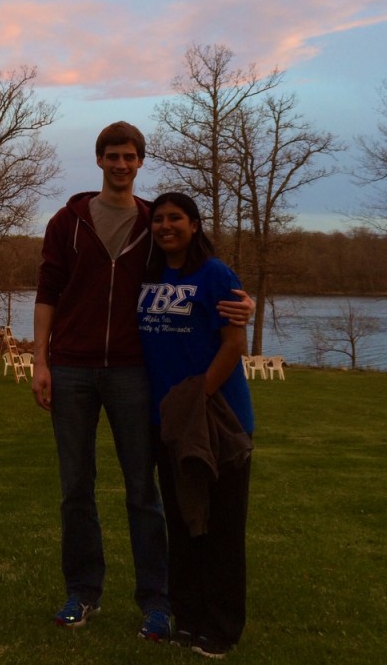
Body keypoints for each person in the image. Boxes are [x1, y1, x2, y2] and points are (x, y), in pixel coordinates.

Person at [32, 122, 252, 639]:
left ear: (140, 161)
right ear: (99, 159)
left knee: (142, 488)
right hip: (72, 368)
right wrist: (40, 361)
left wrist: (241, 303)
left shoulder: (154, 222)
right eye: (111, 155)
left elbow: (192, 269)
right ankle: (82, 592)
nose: (120, 164)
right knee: (75, 488)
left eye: (129, 156)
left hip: (133, 372)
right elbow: (47, 291)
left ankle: (156, 602)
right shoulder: (68, 222)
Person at [137, 192, 254, 660]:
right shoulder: (147, 276)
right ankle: (186, 618)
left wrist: (198, 395)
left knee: (223, 527)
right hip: (168, 422)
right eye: (158, 219)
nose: (166, 226)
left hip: (218, 420)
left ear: (195, 223)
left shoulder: (215, 274)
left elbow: (233, 343)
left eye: (175, 219)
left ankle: (222, 627)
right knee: (185, 525)